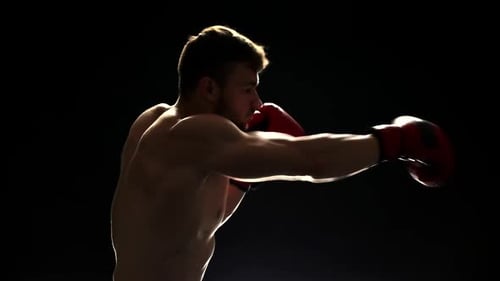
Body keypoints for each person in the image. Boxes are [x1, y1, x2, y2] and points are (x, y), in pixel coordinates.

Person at [110, 24, 454, 281]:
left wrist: (244, 182)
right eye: (247, 89)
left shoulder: (155, 123)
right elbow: (312, 160)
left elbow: (193, 228)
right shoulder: (193, 133)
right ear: (209, 87)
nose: (257, 103)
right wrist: (395, 141)